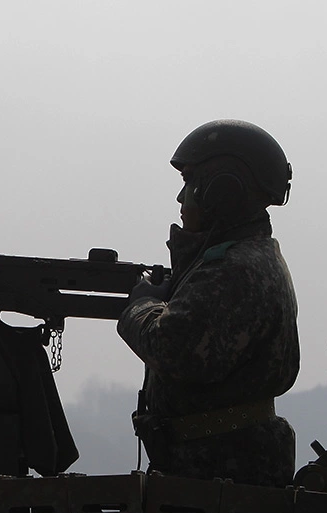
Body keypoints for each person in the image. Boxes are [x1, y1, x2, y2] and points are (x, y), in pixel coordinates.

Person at [117, 119, 299, 487]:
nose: (181, 199)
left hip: (219, 471)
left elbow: (173, 348)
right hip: (216, 467)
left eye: (190, 183)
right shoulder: (243, 257)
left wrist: (140, 307)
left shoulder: (233, 270)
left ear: (223, 192)